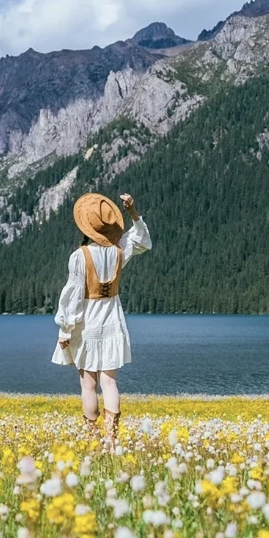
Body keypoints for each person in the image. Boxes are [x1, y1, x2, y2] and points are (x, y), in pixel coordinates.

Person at [52, 190, 151, 449]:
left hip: (86, 322)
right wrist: (133, 212)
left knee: (88, 384)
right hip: (112, 320)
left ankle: (93, 438)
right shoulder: (119, 250)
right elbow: (142, 240)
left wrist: (64, 330)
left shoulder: (80, 256)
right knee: (110, 382)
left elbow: (72, 296)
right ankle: (111, 439)